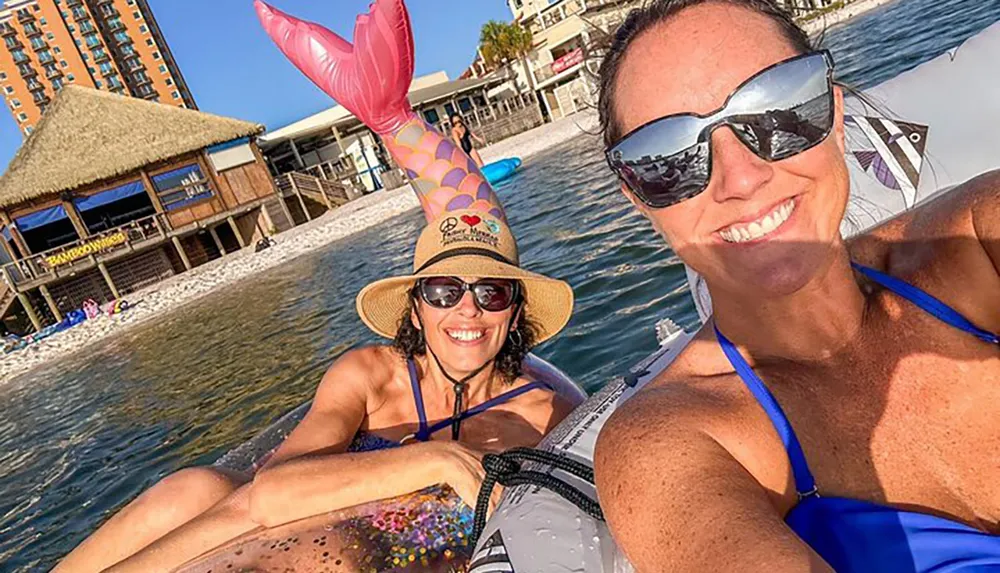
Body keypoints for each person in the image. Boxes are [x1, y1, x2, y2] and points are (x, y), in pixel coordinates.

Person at [55, 0, 581, 571]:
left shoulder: (544, 411)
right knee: (193, 490)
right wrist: (439, 461)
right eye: (442, 291)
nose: (467, 310)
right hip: (290, 538)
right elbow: (274, 490)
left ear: (515, 309)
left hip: (365, 555)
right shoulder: (370, 373)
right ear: (413, 309)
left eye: (492, 292)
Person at [592, 1, 1000, 572]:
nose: (741, 178)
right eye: (669, 160)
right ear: (638, 197)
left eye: (775, 109)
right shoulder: (676, 440)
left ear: (834, 110)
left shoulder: (981, 240)